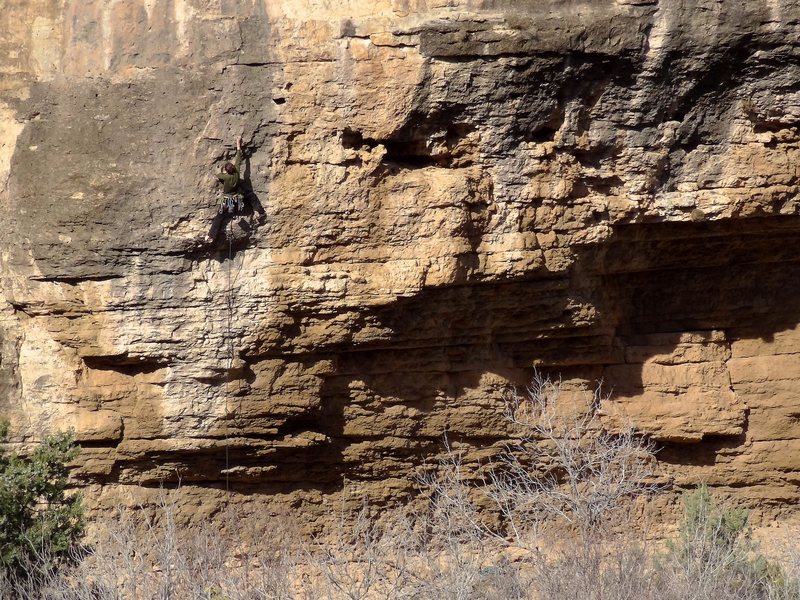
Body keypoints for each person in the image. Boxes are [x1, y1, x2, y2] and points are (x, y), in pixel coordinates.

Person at [206, 136, 244, 243]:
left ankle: (211, 235)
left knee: (219, 218)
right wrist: (238, 142)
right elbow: (238, 156)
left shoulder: (225, 177)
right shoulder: (236, 172)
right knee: (233, 207)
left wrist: (219, 169)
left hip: (227, 201)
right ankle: (234, 214)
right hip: (236, 199)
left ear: (227, 172)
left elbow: (218, 174)